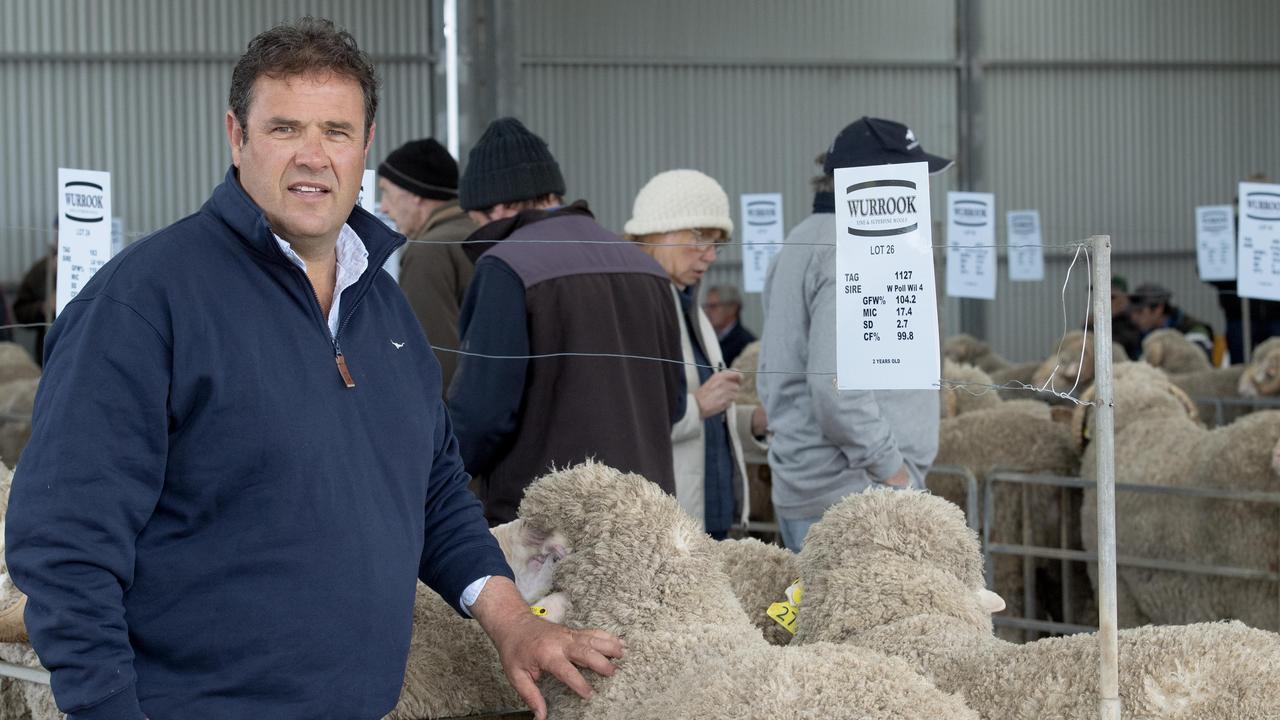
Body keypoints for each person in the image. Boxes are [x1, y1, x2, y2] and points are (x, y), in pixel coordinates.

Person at [5, 18, 620, 720]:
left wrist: (515, 622)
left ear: (365, 144)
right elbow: (67, 545)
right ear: (236, 137)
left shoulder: (382, 310)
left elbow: (435, 492)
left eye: (335, 130)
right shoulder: (146, 302)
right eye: (284, 128)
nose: (312, 156)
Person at [447, 117, 685, 526]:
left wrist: (436, 476)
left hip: (550, 528)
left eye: (475, 219)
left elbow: (483, 416)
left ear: (498, 207)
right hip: (649, 517)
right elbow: (675, 401)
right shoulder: (645, 267)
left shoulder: (505, 266)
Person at [758, 117, 948, 552]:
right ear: (884, 182)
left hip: (812, 487)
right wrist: (894, 474)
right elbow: (837, 387)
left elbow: (777, 366)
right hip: (856, 497)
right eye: (914, 178)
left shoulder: (801, 240)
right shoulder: (854, 249)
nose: (924, 191)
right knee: (866, 619)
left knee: (818, 618)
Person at [623, 169, 768, 539]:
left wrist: (750, 421)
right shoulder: (635, 302)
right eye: (700, 236)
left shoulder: (689, 307)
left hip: (707, 511)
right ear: (659, 229)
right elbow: (631, 416)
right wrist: (699, 405)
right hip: (667, 518)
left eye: (717, 243)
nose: (710, 255)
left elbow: (697, 407)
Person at [377, 137, 477, 393]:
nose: (384, 207)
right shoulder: (476, 233)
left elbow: (433, 353)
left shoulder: (429, 251)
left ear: (415, 195)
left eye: (387, 191)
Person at [1128, 282, 1215, 359]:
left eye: (1140, 312)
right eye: (1132, 312)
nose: (1134, 317)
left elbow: (1197, 361)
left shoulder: (1193, 330)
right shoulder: (1136, 332)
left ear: (1158, 309)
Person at [12, 245, 55, 364]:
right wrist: (43, 308)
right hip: (49, 356)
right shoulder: (42, 270)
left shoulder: (102, 263)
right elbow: (19, 311)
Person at [702, 285, 756, 366]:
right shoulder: (708, 338)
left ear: (732, 308)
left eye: (713, 306)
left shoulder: (745, 344)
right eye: (706, 306)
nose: (707, 311)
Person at [1109, 275, 1143, 360]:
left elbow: (1130, 340)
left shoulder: (1135, 318)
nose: (1107, 301)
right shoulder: (1111, 320)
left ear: (1125, 297)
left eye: (1112, 297)